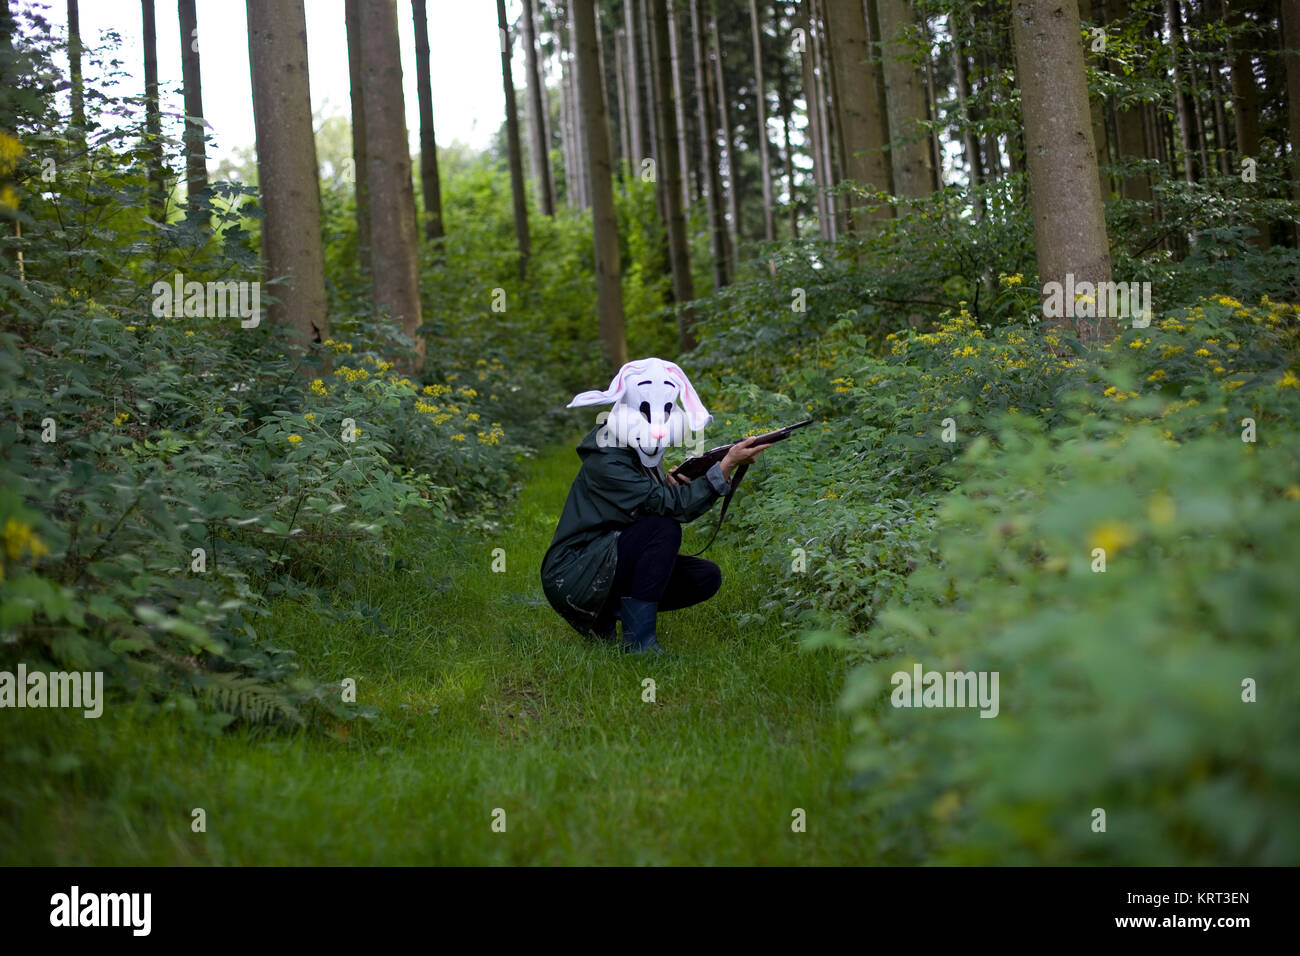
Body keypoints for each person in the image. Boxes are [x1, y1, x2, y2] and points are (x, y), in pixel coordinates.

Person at [540, 358, 769, 654]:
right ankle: (639, 643)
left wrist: (679, 478)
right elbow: (670, 508)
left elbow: (649, 500)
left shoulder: (633, 447)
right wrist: (725, 466)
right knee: (663, 528)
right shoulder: (608, 458)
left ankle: (605, 616)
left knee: (704, 577)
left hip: (604, 558)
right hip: (572, 574)